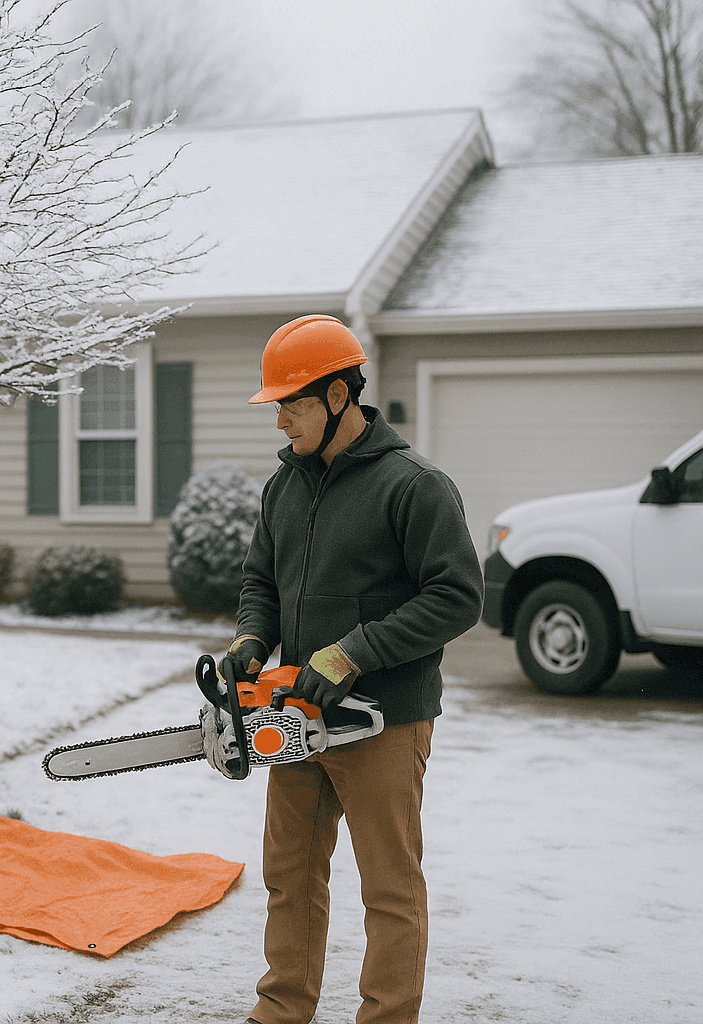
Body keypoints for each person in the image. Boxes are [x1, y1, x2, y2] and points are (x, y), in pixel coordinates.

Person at [220, 315, 483, 1024]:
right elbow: (260, 584)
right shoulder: (287, 487)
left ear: (339, 396)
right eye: (276, 405)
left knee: (389, 890)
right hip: (297, 718)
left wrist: (353, 652)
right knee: (290, 878)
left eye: (292, 404)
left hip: (384, 719)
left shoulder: (414, 485)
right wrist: (252, 639)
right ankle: (281, 1011)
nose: (279, 420)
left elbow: (457, 597)